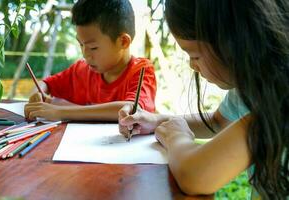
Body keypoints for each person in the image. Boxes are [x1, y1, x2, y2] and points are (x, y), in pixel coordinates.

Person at [118, 0, 289, 199]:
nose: (192, 66)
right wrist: (159, 121)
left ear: (233, 40)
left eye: (195, 55)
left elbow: (195, 175)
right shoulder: (252, 88)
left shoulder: (280, 105)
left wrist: (177, 138)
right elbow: (218, 121)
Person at [24, 0, 157, 121]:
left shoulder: (141, 71)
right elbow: (47, 84)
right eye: (81, 45)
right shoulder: (81, 70)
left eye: (93, 47)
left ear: (123, 41)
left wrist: (61, 112)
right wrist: (37, 93)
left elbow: (132, 109)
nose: (85, 55)